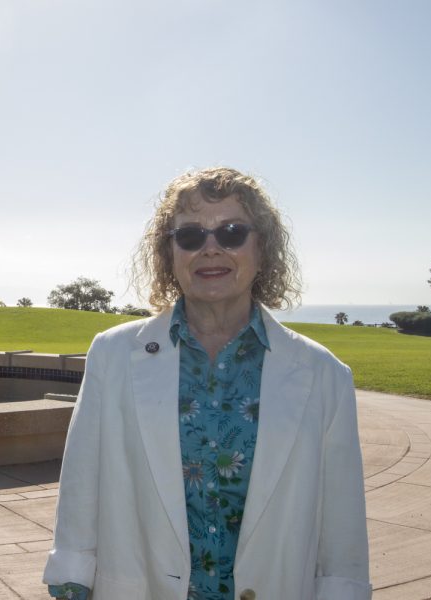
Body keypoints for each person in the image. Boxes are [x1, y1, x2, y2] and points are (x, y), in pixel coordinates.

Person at [43, 167, 370, 600]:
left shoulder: (325, 374)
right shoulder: (112, 355)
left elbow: (342, 524)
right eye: (191, 236)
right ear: (171, 251)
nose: (210, 249)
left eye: (232, 233)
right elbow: (81, 485)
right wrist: (71, 578)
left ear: (262, 246)